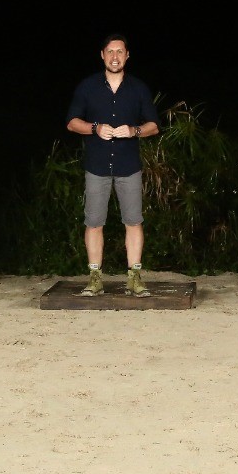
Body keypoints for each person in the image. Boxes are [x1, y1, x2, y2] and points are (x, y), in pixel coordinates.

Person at [66, 33, 160, 298]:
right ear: (102, 55)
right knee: (94, 223)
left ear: (127, 56)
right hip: (96, 166)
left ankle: (134, 279)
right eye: (110, 51)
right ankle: (95, 279)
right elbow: (72, 122)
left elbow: (154, 125)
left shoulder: (138, 88)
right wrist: (95, 128)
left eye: (120, 52)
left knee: (134, 221)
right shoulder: (87, 87)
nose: (115, 57)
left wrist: (134, 130)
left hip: (129, 166)